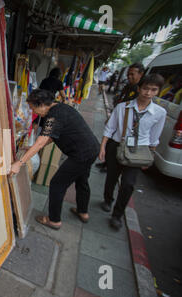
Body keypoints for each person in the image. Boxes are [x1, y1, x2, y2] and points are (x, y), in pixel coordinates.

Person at [10, 89, 100, 230]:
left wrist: (19, 163)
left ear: (41, 104)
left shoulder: (53, 117)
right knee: (82, 180)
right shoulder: (60, 107)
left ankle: (54, 220)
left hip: (80, 155)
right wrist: (32, 148)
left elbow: (42, 140)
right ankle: (83, 212)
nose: (34, 112)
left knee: (57, 184)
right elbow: (52, 136)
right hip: (92, 148)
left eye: (33, 108)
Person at [99, 74, 166, 230]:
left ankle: (117, 215)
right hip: (116, 145)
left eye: (153, 90)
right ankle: (107, 200)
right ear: (139, 88)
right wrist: (102, 147)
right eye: (145, 88)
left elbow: (155, 137)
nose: (148, 93)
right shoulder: (123, 107)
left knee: (128, 184)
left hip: (138, 151)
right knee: (111, 177)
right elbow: (110, 128)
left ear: (158, 91)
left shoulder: (159, 113)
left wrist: (150, 157)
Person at [96, 62, 145, 172]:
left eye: (132, 74)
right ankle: (106, 162)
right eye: (128, 74)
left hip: (126, 123)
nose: (129, 77)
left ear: (140, 74)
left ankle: (111, 165)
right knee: (110, 142)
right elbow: (120, 101)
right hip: (118, 118)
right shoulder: (128, 86)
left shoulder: (139, 90)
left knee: (119, 146)